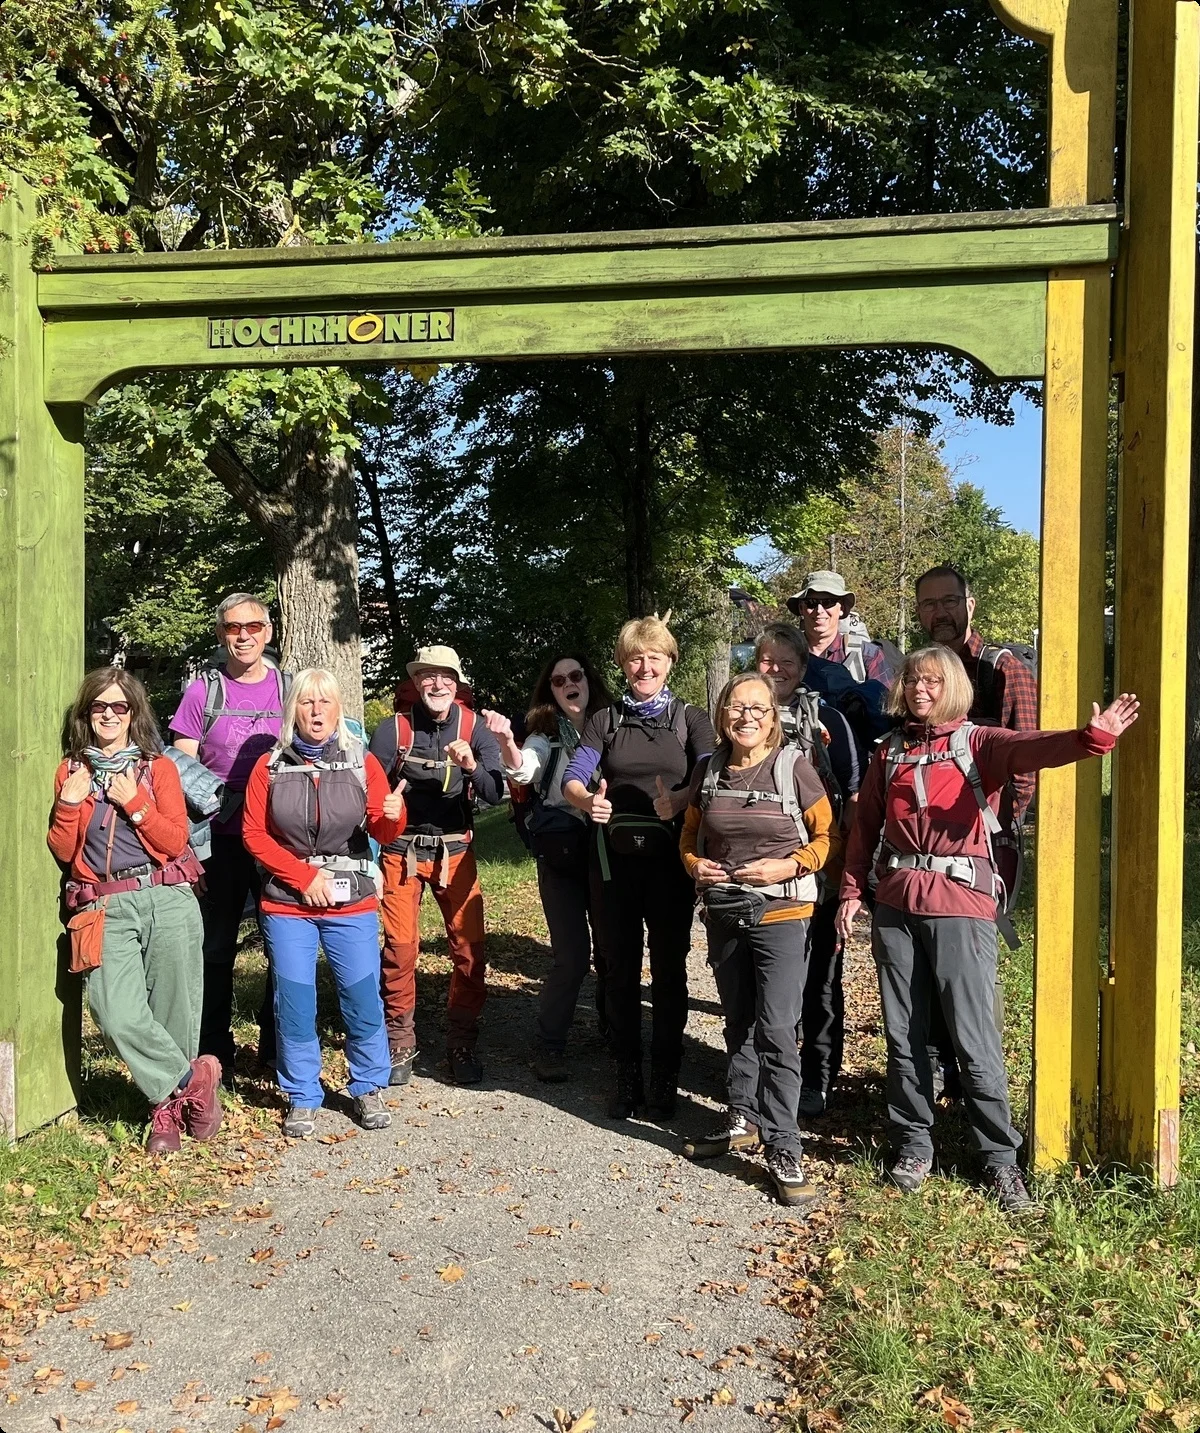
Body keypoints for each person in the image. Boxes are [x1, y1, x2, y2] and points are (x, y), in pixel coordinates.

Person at [836, 645, 1139, 1212]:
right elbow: (865, 829)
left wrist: (1090, 738)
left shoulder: (977, 742)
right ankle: (913, 1146)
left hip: (960, 907)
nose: (920, 690)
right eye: (912, 681)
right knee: (904, 1037)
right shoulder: (890, 752)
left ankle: (1000, 1160)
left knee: (974, 1039)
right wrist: (852, 893)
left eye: (932, 681)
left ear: (951, 686)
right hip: (897, 907)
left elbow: (1034, 747)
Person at [678, 673, 837, 1205]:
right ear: (723, 714)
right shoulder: (708, 769)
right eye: (736, 707)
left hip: (783, 912)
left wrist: (786, 866)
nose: (747, 716)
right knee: (738, 1021)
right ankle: (742, 1116)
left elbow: (826, 837)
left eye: (758, 708)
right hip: (724, 912)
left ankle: (784, 1147)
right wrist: (695, 865)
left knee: (775, 1028)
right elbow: (689, 836)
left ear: (774, 717)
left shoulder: (794, 768)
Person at [48, 668, 220, 1155]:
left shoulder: (157, 767)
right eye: (98, 706)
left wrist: (135, 802)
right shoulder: (72, 771)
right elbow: (64, 851)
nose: (108, 714)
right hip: (104, 903)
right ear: (86, 714)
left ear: (132, 714)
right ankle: (195, 1077)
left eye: (118, 707)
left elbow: (174, 841)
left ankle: (163, 1109)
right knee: (112, 1010)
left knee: (173, 1010)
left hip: (166, 895)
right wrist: (67, 803)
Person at [562, 615, 716, 1121]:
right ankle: (626, 1074)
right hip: (611, 868)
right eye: (635, 657)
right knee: (619, 972)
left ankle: (665, 1077)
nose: (644, 665)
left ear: (670, 661)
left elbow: (711, 770)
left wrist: (684, 797)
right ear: (623, 664)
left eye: (654, 656)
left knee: (670, 971)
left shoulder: (690, 718)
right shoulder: (604, 720)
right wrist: (588, 803)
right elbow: (574, 778)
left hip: (670, 867)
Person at [241, 668, 405, 1137]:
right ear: (293, 709)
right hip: (287, 901)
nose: (316, 712)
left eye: (326, 703)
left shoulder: (361, 761)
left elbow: (380, 830)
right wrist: (300, 876)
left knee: (360, 995)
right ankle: (302, 1094)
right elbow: (254, 834)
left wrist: (395, 816)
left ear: (338, 709)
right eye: (307, 703)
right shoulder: (269, 766)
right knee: (293, 1001)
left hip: (350, 902)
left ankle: (368, 1086)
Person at [915, 563, 1040, 1094]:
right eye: (928, 604)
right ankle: (943, 1072)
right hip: (928, 853)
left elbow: (1025, 765)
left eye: (949, 601)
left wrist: (995, 836)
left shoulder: (1002, 669)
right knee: (932, 962)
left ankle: (982, 1085)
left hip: (985, 848)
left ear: (971, 605)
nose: (939, 612)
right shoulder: (922, 676)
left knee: (973, 968)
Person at [368, 645, 505, 1086]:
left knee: (469, 948)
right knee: (400, 948)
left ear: (457, 682)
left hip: (455, 851)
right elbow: (368, 795)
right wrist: (384, 808)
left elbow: (493, 791)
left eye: (445, 676)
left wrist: (470, 767)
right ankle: (399, 1038)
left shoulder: (474, 727)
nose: (437, 684)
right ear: (416, 683)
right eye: (428, 676)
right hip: (401, 852)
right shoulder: (393, 730)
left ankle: (461, 1039)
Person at [171, 593, 289, 1083]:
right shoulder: (203, 690)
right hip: (216, 836)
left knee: (282, 940)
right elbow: (178, 765)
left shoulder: (289, 686)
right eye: (233, 628)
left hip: (279, 833)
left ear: (268, 631)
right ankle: (214, 1050)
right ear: (221, 634)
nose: (243, 635)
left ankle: (277, 1043)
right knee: (215, 946)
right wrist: (185, 846)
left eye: (253, 627)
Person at [483, 654, 614, 1082]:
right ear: (551, 691)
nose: (568, 684)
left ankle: (615, 1032)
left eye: (576, 676)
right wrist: (506, 741)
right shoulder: (545, 734)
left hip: (611, 852)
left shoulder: (613, 723)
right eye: (559, 681)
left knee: (614, 949)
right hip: (561, 854)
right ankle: (551, 1044)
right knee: (573, 956)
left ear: (589, 680)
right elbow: (523, 771)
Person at [754, 623, 863, 1116]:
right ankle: (764, 1078)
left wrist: (851, 874)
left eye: (786, 662)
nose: (775, 670)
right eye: (766, 661)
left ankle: (817, 1078)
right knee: (765, 980)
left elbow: (854, 797)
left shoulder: (829, 721)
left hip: (820, 871)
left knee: (820, 978)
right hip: (758, 874)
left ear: (803, 668)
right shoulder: (741, 717)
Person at [786, 570, 895, 685]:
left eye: (828, 602)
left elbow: (886, 700)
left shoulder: (868, 655)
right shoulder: (784, 654)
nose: (819, 610)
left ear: (842, 608)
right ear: (801, 608)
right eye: (811, 603)